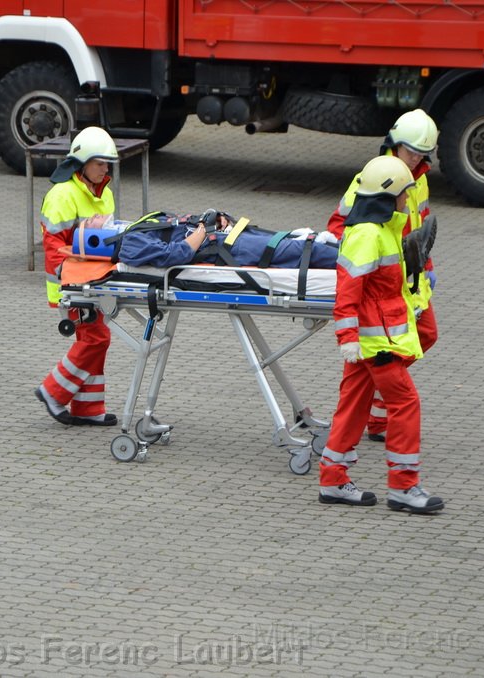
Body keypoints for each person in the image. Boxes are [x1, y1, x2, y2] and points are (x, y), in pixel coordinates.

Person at [317, 155, 445, 514]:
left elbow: (386, 289)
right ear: (387, 196)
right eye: (403, 195)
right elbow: (348, 292)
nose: (408, 201)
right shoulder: (368, 235)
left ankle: (332, 478)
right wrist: (348, 340)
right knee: (405, 404)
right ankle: (404, 487)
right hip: (376, 343)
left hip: (375, 340)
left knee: (353, 406)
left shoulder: (384, 229)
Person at [325, 108, 440, 443]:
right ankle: (376, 420)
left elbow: (421, 224)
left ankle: (374, 415)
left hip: (408, 279)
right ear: (394, 144)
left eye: (421, 155)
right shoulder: (373, 177)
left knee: (425, 336)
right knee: (379, 366)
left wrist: (427, 267)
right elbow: (338, 226)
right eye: (410, 152)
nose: (415, 160)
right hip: (383, 283)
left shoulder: (418, 179)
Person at [35, 127, 121, 426]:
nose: (105, 168)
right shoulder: (62, 195)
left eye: (107, 163)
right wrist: (74, 279)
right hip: (71, 283)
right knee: (97, 338)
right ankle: (53, 391)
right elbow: (53, 248)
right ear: (83, 163)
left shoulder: (104, 194)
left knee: (94, 338)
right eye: (100, 163)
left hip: (94, 280)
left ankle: (87, 409)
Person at [113, 211, 339, 269]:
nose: (96, 216)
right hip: (221, 249)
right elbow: (175, 254)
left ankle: (344, 250)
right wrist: (203, 229)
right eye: (88, 222)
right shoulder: (130, 244)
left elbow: (181, 224)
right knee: (300, 250)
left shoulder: (142, 222)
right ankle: (362, 263)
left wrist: (214, 218)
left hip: (224, 237)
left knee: (298, 239)